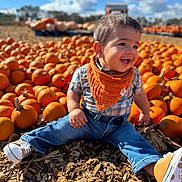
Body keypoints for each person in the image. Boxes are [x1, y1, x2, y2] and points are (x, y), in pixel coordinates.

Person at [3, 14, 182, 182]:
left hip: (118, 125)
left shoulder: (133, 75)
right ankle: (28, 143)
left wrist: (144, 111)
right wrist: (74, 110)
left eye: (135, 46)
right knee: (59, 128)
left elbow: (139, 95)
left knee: (137, 144)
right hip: (88, 120)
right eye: (123, 44)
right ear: (99, 49)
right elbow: (72, 93)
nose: (131, 51)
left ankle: (159, 169)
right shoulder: (84, 73)